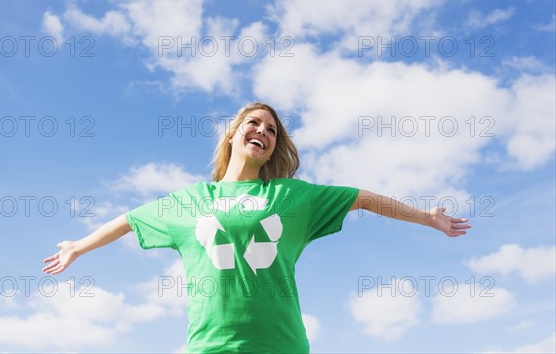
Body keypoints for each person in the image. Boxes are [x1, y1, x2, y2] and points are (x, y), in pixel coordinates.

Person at [42, 102, 470, 353]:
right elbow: (129, 221)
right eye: (254, 123)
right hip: (211, 346)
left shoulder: (291, 197)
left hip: (280, 344)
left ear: (273, 149)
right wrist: (78, 246)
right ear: (232, 135)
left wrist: (426, 218)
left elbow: (363, 198)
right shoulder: (189, 201)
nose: (262, 131)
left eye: (271, 130)